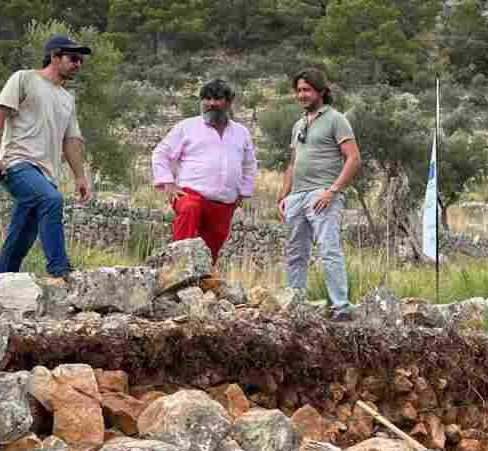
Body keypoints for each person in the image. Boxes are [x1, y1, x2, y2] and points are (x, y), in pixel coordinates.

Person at [0, 35, 92, 278]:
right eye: (73, 58)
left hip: (46, 174)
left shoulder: (67, 99)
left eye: (81, 60)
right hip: (17, 164)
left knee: (22, 236)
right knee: (51, 200)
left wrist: (80, 177)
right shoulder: (24, 78)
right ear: (54, 56)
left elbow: (71, 140)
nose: (78, 64)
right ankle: (60, 270)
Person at [276, 67, 360, 321]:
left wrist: (332, 191)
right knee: (295, 252)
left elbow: (354, 158)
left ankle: (341, 307)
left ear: (321, 92)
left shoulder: (336, 119)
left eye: (307, 90)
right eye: (299, 90)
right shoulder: (298, 124)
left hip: (322, 194)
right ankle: (295, 302)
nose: (302, 95)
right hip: (296, 197)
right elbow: (293, 163)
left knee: (329, 248)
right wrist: (283, 197)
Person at [151, 79, 258, 263]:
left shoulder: (241, 133)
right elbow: (161, 153)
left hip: (224, 202)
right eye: (206, 99)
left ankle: (201, 284)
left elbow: (249, 165)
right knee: (189, 209)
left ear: (228, 102)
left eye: (217, 99)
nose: (211, 104)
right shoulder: (187, 127)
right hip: (190, 194)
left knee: (211, 252)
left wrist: (243, 192)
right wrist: (167, 182)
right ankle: (178, 266)